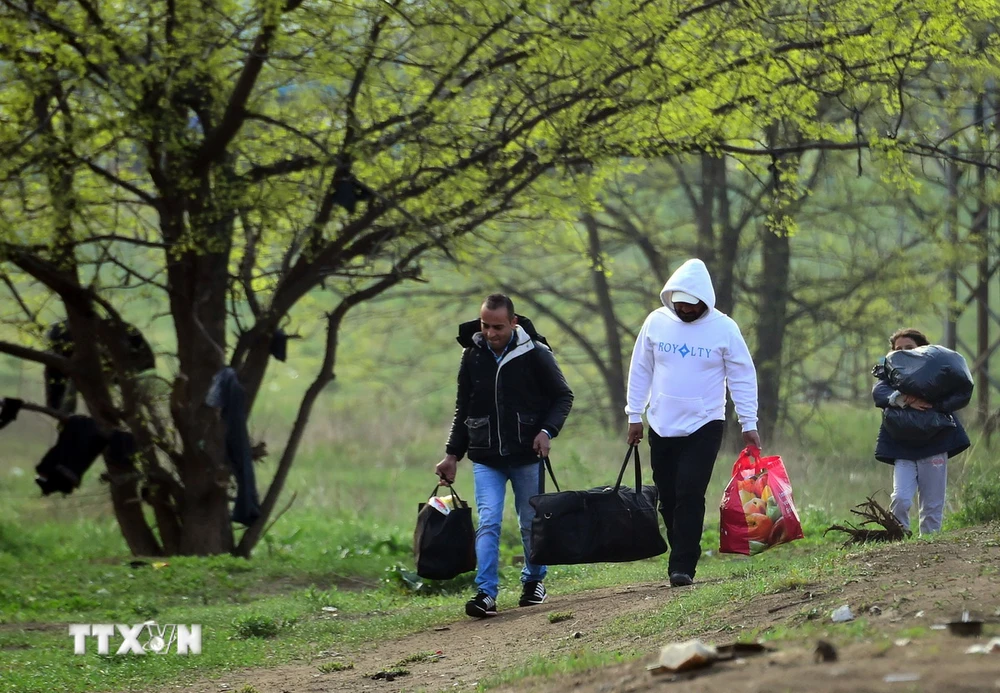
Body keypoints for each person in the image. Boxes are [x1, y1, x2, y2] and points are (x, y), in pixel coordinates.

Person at [436, 294, 574, 618]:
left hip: (527, 455)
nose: (491, 333)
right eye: (485, 325)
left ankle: (534, 582)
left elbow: (563, 396)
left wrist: (546, 432)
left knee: (530, 524)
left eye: (498, 326)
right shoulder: (472, 356)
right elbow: (463, 409)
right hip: (485, 458)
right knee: (488, 522)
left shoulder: (536, 354)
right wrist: (452, 454)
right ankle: (485, 593)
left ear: (513, 322)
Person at [624, 258, 760, 587]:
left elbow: (742, 375)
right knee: (668, 496)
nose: (684, 311)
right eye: (679, 305)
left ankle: (683, 563)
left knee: (690, 491)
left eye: (691, 306)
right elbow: (640, 368)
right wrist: (634, 414)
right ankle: (681, 546)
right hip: (661, 423)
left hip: (705, 423)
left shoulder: (724, 328)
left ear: (704, 301)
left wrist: (748, 421)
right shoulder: (656, 322)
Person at [872, 328, 970, 535]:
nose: (903, 352)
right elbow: (879, 392)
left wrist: (933, 403)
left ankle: (928, 546)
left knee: (932, 504)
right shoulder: (892, 373)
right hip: (902, 446)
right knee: (900, 498)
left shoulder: (938, 373)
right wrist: (905, 399)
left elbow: (959, 394)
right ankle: (899, 538)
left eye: (909, 348)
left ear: (923, 349)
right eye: (898, 349)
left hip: (935, 443)